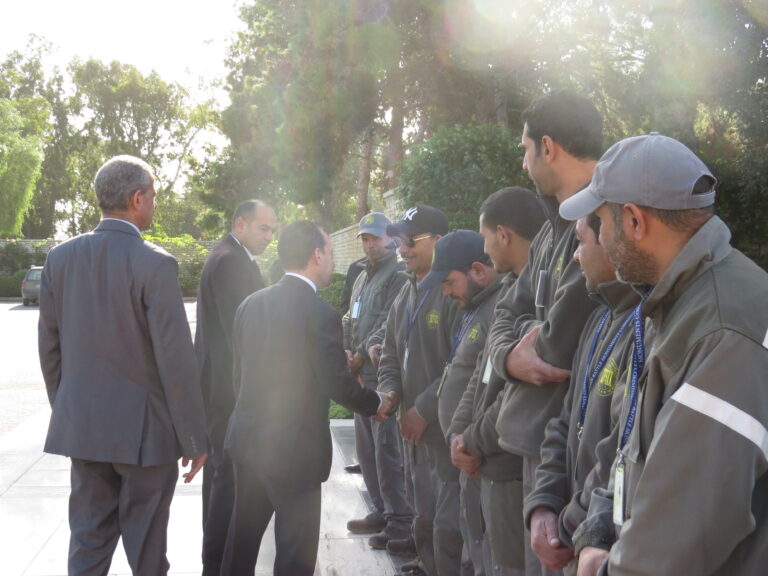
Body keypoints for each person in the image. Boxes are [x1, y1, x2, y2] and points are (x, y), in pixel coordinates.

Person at [559, 134, 768, 576]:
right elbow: (629, 446)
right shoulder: (674, 303)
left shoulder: (720, 329)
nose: (600, 237)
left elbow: (677, 542)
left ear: (634, 220)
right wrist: (598, 530)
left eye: (601, 221)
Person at [37, 155, 208, 575]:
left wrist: (69, 409)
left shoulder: (59, 260)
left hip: (85, 432)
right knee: (147, 552)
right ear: (137, 199)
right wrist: (194, 438)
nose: (155, 203)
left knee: (88, 546)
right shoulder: (155, 263)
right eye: (154, 195)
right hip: (145, 439)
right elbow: (176, 359)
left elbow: (50, 348)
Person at [220, 220, 396, 576]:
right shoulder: (319, 313)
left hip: (248, 443)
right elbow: (335, 383)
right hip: (293, 452)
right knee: (295, 554)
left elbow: (240, 377)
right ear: (316, 255)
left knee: (240, 544)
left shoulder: (250, 306)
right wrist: (376, 404)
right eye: (330, 253)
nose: (333, 261)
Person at [488, 92, 603, 576]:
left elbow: (556, 345)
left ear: (548, 147)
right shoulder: (554, 226)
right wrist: (508, 357)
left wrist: (528, 334)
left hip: (577, 452)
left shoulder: (601, 220)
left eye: (524, 148)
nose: (523, 160)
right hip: (538, 441)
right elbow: (506, 310)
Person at [523, 214, 640, 576]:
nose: (575, 256)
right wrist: (543, 503)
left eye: (580, 241)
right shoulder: (598, 319)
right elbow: (563, 421)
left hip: (602, 544)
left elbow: (622, 452)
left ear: (609, 244)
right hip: (575, 532)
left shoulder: (643, 328)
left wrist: (574, 524)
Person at [448, 187, 546, 575]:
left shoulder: (541, 295)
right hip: (484, 461)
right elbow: (482, 373)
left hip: (510, 467)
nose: (485, 249)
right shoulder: (510, 291)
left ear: (503, 234)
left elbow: (519, 394)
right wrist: (459, 431)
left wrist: (470, 440)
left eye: (486, 237)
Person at [376, 205, 460, 576]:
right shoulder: (405, 295)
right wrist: (391, 391)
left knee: (448, 515)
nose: (402, 248)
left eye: (410, 240)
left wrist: (423, 408)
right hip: (411, 428)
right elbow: (391, 353)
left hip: (442, 431)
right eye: (398, 240)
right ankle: (427, 563)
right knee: (421, 505)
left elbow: (462, 364)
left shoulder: (453, 293)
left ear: (438, 242)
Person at [195, 199, 277, 576]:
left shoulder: (231, 254)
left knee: (222, 483)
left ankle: (217, 563)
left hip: (222, 392)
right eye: (264, 229)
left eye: (272, 230)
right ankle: (217, 565)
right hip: (228, 394)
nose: (269, 237)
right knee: (226, 486)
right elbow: (237, 335)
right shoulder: (230, 261)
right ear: (240, 223)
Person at [420, 229, 504, 576]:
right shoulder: (473, 308)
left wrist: (468, 438)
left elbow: (498, 390)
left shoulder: (499, 311)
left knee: (483, 553)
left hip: (484, 458)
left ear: (478, 271)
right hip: (463, 451)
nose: (446, 291)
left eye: (450, 281)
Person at [342, 212, 413, 548]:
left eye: (376, 237)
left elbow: (387, 321)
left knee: (387, 451)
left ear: (391, 237)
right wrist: (345, 350)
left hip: (380, 375)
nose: (371, 244)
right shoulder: (362, 277)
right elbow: (350, 315)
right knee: (367, 450)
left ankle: (401, 520)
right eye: (366, 239)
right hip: (360, 376)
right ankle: (381, 511)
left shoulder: (398, 274)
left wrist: (357, 351)